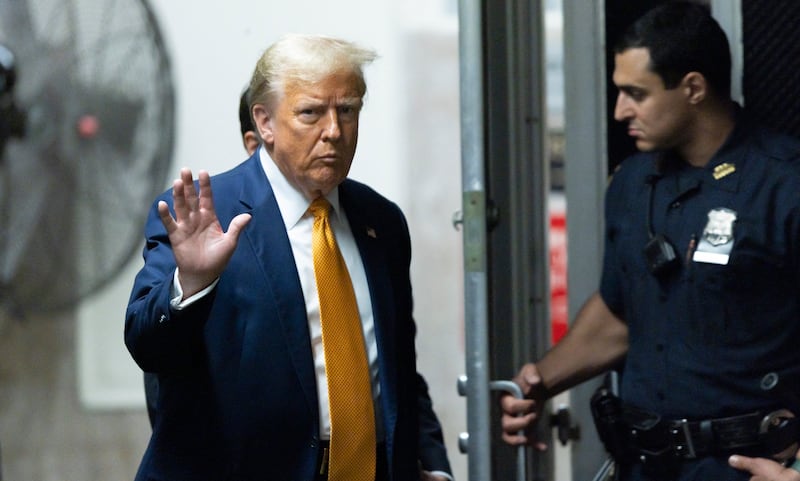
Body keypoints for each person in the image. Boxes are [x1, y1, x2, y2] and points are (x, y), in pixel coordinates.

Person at [126, 34, 452, 481]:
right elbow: (148, 345)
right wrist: (192, 286)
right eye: (311, 113)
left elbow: (396, 369)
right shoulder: (207, 215)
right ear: (265, 122)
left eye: (348, 110)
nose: (334, 131)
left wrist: (431, 465)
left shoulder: (382, 222)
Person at [500, 3, 800, 480]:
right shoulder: (632, 183)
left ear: (693, 89)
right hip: (646, 465)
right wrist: (539, 382)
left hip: (745, 465)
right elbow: (622, 311)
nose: (620, 110)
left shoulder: (783, 184)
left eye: (635, 94)